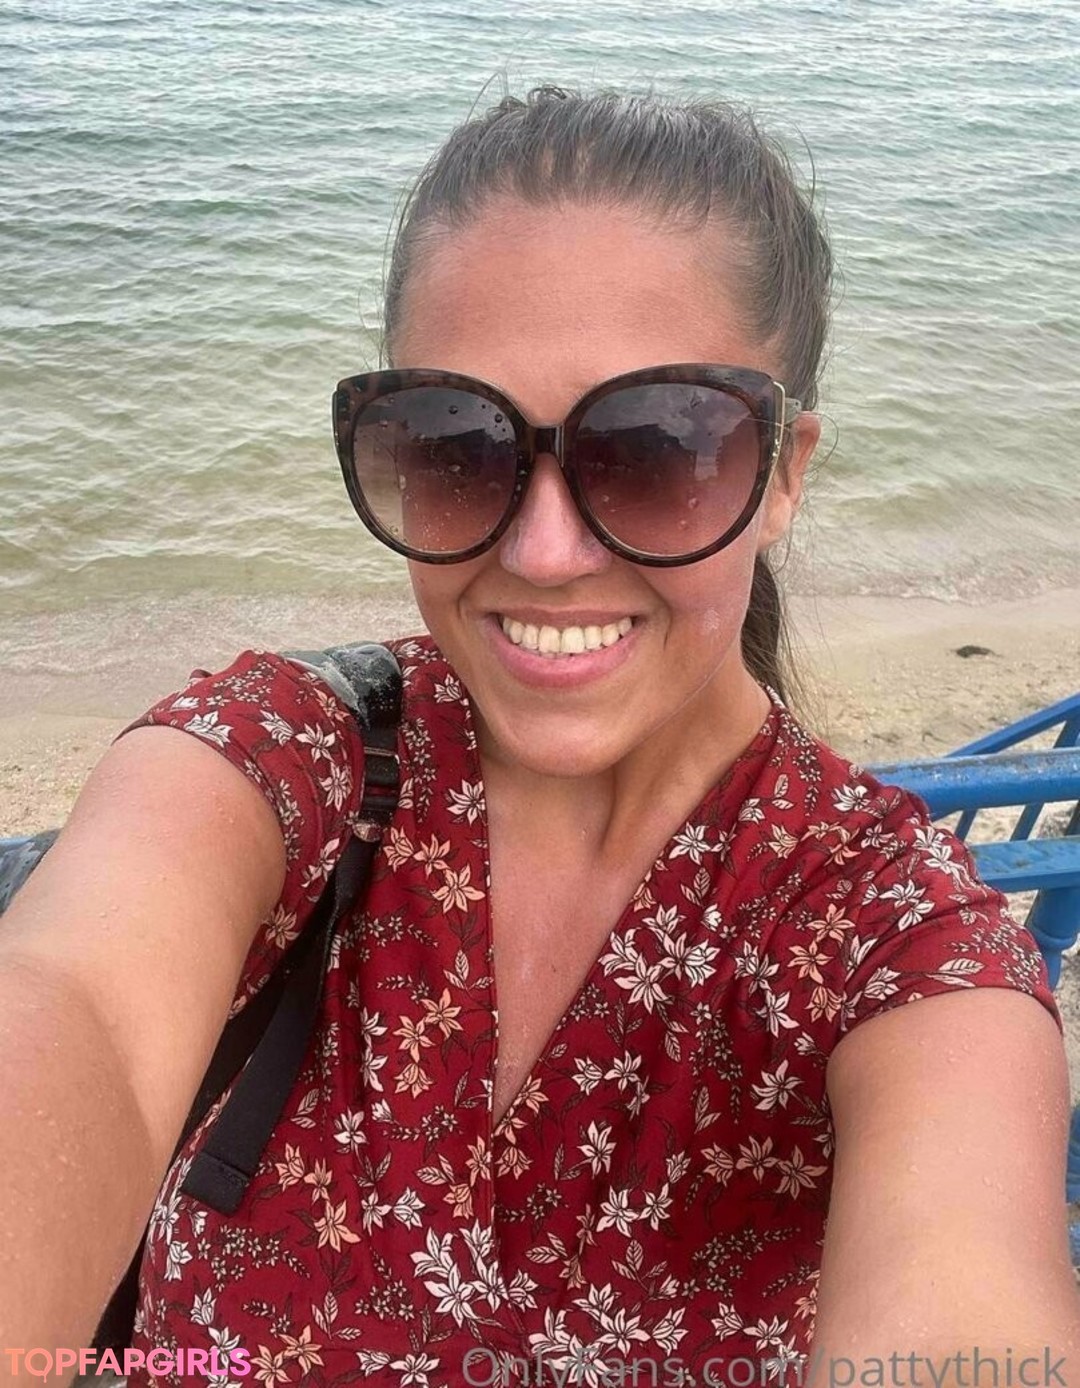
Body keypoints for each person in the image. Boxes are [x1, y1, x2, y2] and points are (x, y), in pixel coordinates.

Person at [1, 85, 1077, 1388]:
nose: (545, 550)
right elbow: (79, 1015)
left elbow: (963, 1286)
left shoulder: (885, 933)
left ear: (784, 473)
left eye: (661, 447)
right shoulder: (288, 766)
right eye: (457, 444)